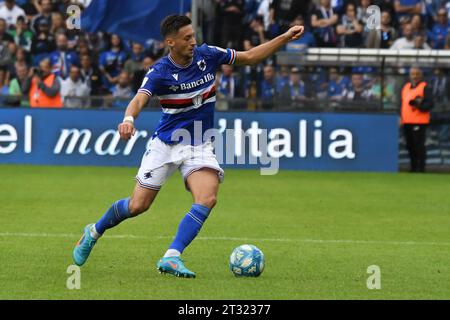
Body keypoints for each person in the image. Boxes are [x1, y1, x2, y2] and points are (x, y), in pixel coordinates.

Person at [72, 14, 304, 278]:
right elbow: (138, 99)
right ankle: (94, 231)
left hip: (199, 142)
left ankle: (172, 256)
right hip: (166, 143)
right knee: (138, 206)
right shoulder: (160, 72)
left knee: (207, 197)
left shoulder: (209, 55)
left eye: (193, 36)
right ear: (171, 42)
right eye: (187, 38)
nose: (193, 41)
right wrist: (127, 119)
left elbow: (250, 56)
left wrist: (285, 37)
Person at [401, 67, 434, 173]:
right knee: (410, 145)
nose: (414, 76)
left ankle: (421, 168)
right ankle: (413, 167)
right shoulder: (406, 87)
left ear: (421, 75)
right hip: (406, 121)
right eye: (412, 74)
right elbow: (402, 103)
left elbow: (430, 104)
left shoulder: (425, 87)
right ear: (409, 75)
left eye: (417, 74)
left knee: (419, 145)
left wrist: (419, 105)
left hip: (419, 121)